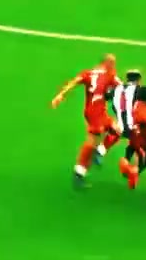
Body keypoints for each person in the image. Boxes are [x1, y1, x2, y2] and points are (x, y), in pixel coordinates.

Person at [50, 53, 122, 187]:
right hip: (96, 113)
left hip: (96, 112)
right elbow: (124, 88)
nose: (114, 66)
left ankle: (99, 152)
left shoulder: (88, 73)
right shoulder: (109, 74)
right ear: (107, 63)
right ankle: (79, 174)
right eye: (113, 64)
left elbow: (74, 82)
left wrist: (60, 95)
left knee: (119, 130)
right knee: (91, 142)